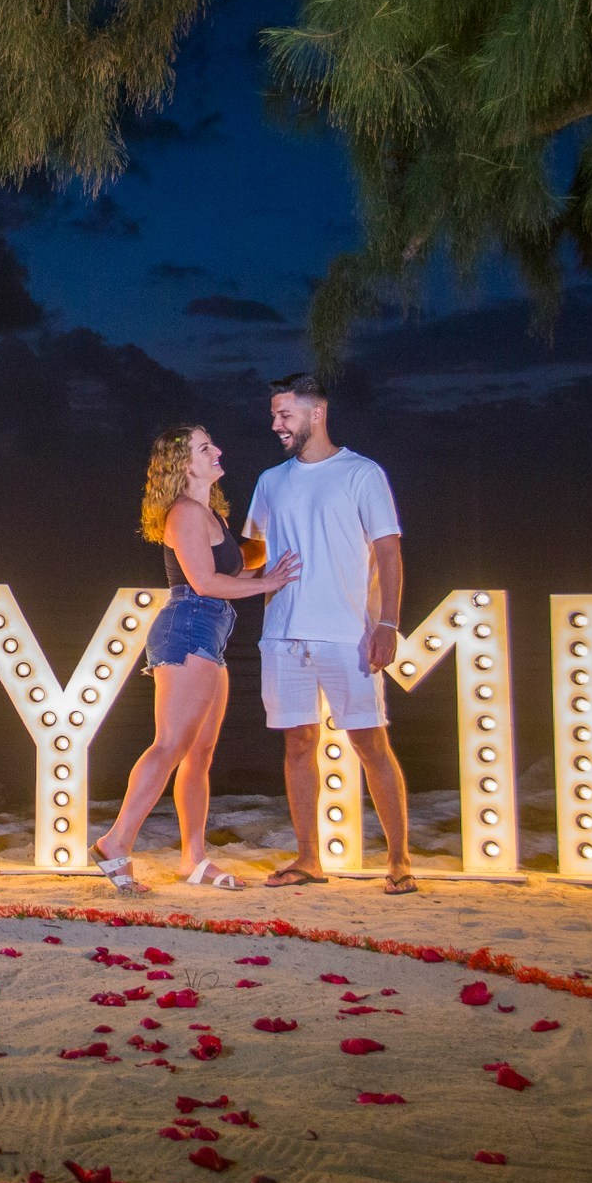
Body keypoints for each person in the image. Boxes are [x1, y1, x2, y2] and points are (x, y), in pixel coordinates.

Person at [91, 424, 298, 896]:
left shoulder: (210, 515)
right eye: (206, 448)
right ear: (184, 465)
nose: (218, 450)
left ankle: (194, 860)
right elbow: (204, 583)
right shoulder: (184, 513)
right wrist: (271, 582)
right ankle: (114, 841)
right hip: (188, 627)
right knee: (169, 745)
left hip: (211, 632)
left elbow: (239, 567)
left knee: (198, 755)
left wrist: (282, 539)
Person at [242, 374, 415, 892]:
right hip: (282, 632)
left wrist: (388, 622)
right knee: (298, 744)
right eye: (274, 415)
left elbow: (388, 552)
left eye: (285, 415)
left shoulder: (361, 473)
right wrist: (203, 548)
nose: (276, 424)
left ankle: (400, 861)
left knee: (370, 742)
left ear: (316, 414)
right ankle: (308, 859)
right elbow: (253, 551)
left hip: (346, 633)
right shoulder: (271, 480)